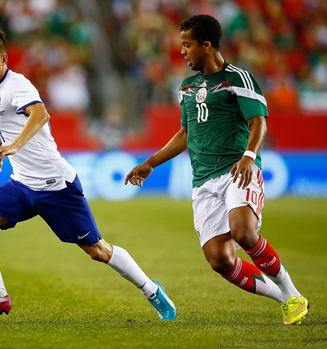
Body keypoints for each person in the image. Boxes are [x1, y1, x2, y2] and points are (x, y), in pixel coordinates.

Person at [0, 26, 176, 320]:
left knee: (98, 251)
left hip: (55, 186)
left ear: (3, 59)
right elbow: (2, 127)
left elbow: (40, 115)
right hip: (21, 185)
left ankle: (151, 289)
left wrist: (12, 147)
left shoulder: (17, 85)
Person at [125, 15, 308, 325]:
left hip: (237, 171)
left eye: (187, 45)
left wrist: (249, 156)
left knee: (243, 232)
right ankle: (287, 298)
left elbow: (258, 122)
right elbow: (185, 135)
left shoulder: (238, 78)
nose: (181, 51)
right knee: (220, 261)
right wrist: (150, 162)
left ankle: (291, 290)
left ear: (206, 45)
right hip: (203, 181)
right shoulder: (186, 87)